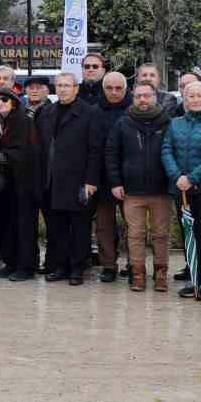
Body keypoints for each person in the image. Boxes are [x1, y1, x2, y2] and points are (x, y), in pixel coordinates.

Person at [106, 81, 174, 291]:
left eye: (147, 96)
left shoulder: (168, 122)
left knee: (160, 234)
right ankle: (138, 273)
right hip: (132, 190)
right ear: (133, 98)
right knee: (135, 234)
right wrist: (116, 182)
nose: (142, 100)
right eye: (138, 96)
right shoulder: (123, 123)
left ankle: (161, 273)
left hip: (160, 189)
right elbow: (112, 154)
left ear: (155, 97)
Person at [162, 81, 201, 300]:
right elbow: (167, 151)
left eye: (200, 96)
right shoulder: (175, 124)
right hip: (181, 189)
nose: (195, 100)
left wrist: (192, 178)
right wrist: (178, 177)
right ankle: (193, 277)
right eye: (191, 96)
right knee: (188, 233)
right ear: (185, 100)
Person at [37, 72, 103, 284]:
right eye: (60, 85)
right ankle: (60, 266)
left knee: (80, 229)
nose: (63, 89)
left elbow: (95, 150)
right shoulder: (46, 112)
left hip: (78, 180)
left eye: (67, 85)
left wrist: (91, 181)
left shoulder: (89, 113)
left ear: (76, 88)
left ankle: (77, 268)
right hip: (51, 181)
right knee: (57, 229)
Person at [0, 89, 29, 278]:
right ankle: (10, 263)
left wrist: (1, 157)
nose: (0, 102)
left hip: (23, 182)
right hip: (4, 183)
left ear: (14, 102)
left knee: (22, 225)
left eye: (4, 99)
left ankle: (25, 267)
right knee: (7, 224)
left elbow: (28, 152)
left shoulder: (23, 122)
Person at [91, 71, 132, 282]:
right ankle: (108, 265)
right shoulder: (94, 112)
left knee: (133, 226)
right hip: (102, 179)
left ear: (125, 89)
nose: (114, 92)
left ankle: (134, 264)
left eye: (118, 88)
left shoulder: (134, 110)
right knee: (104, 226)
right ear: (103, 88)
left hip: (130, 180)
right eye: (109, 88)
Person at [17, 75, 53, 274]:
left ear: (47, 90)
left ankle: (51, 262)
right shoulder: (20, 111)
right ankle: (28, 262)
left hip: (47, 176)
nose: (34, 91)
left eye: (39, 87)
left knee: (52, 224)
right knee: (25, 224)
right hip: (24, 176)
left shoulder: (53, 111)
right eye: (30, 87)